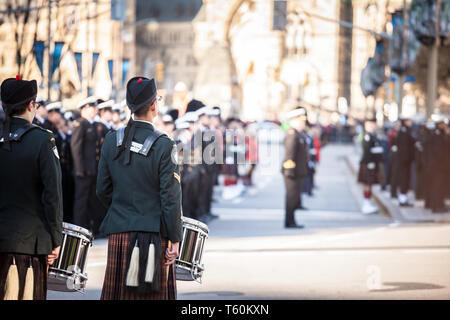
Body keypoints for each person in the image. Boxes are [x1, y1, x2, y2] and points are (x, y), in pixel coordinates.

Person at [96, 76, 183, 300]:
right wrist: (175, 237)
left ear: (128, 106)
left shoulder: (109, 140)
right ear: (154, 105)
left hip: (119, 231)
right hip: (155, 235)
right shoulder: (165, 145)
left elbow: (102, 190)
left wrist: (122, 210)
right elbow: (170, 197)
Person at [0, 75, 63, 300]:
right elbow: (52, 195)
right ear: (30, 105)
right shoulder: (42, 140)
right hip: (30, 243)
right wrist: (56, 239)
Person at [70, 96, 102, 234]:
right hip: (82, 171)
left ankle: (88, 227)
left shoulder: (91, 125)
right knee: (81, 202)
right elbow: (75, 147)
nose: (96, 110)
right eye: (93, 108)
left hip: (91, 170)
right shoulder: (80, 124)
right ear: (85, 109)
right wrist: (79, 169)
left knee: (90, 201)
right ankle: (79, 229)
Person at [282, 107, 309, 228]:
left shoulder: (299, 134)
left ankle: (291, 220)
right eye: (301, 121)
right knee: (291, 197)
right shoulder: (292, 134)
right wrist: (289, 170)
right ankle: (290, 221)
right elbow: (289, 153)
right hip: (292, 171)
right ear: (295, 120)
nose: (303, 123)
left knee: (294, 197)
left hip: (297, 170)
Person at [357, 117, 383, 214]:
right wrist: (369, 163)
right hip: (368, 164)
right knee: (367, 184)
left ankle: (368, 202)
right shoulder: (367, 136)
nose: (373, 126)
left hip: (372, 163)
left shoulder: (373, 135)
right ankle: (366, 203)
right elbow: (367, 150)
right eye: (371, 124)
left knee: (370, 184)